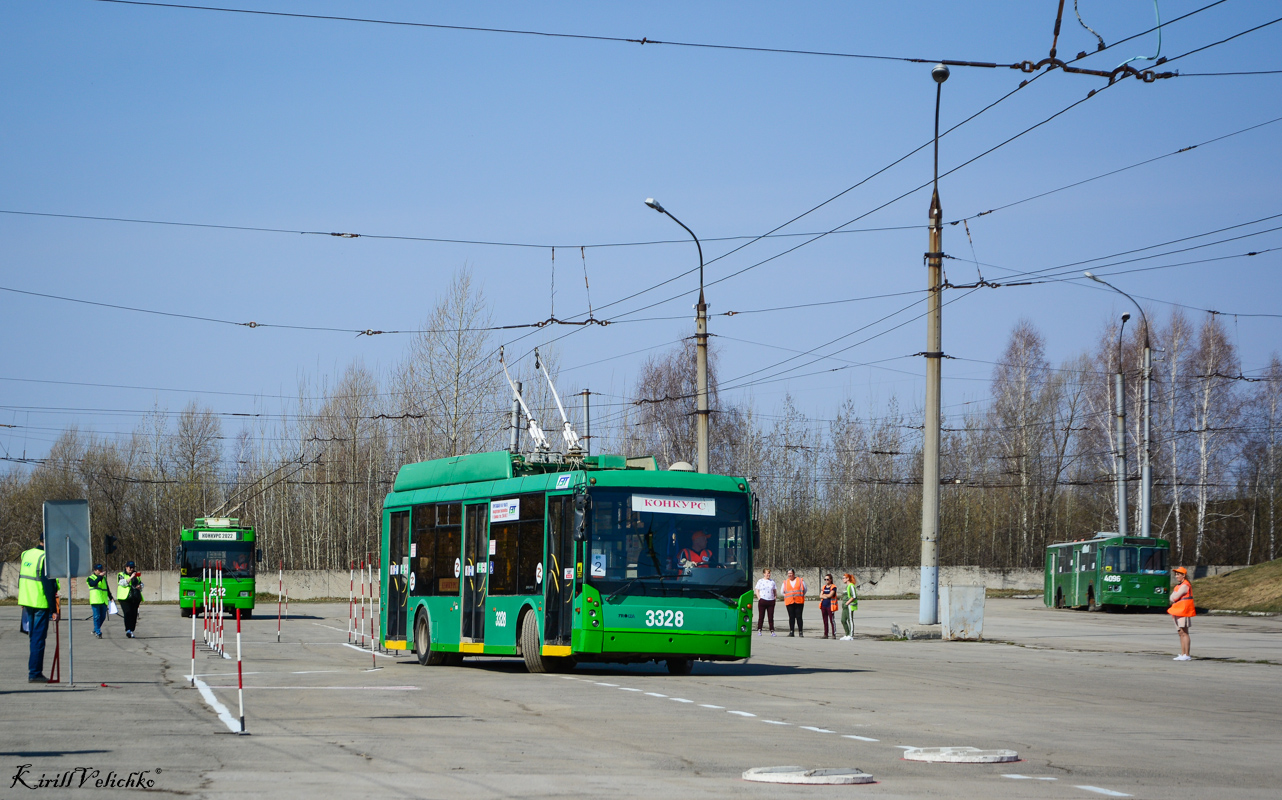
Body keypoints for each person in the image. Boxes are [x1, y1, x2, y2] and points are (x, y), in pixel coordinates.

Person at [19, 537, 60, 683]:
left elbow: (22, 577)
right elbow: (48, 585)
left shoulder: (27, 554)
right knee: (38, 639)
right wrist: (53, 608)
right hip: (39, 602)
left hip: (27, 600)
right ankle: (35, 673)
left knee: (33, 638)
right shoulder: (45, 558)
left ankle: (34, 670)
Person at [1167, 566, 1196, 661]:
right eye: (1176, 574)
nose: (1176, 576)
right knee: (1180, 632)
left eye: (1178, 574)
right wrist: (1173, 597)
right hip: (1177, 611)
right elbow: (1171, 597)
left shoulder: (1185, 585)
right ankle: (1183, 653)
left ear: (1183, 575)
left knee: (1184, 632)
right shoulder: (1178, 586)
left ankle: (1187, 654)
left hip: (1184, 611)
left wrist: (1174, 597)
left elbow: (1174, 597)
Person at [117, 562, 144, 639]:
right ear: (126, 567)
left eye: (133, 568)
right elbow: (123, 583)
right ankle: (128, 629)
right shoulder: (121, 574)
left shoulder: (137, 576)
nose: (132, 569)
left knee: (134, 614)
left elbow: (141, 584)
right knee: (127, 612)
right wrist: (131, 577)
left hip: (135, 597)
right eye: (130, 568)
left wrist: (140, 586)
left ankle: (131, 630)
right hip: (124, 598)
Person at [86, 564, 113, 638]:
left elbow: (107, 588)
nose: (100, 571)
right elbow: (93, 584)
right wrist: (99, 577)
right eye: (99, 570)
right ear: (95, 570)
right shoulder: (90, 578)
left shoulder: (103, 578)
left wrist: (110, 597)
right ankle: (98, 631)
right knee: (96, 616)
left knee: (103, 616)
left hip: (103, 600)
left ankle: (95, 629)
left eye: (101, 570)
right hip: (95, 600)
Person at [782, 569, 807, 637]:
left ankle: (800, 632)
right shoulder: (785, 582)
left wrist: (799, 595)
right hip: (789, 602)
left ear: (794, 574)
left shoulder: (800, 580)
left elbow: (805, 589)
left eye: (791, 573)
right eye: (788, 573)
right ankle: (791, 631)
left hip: (799, 601)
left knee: (799, 617)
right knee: (791, 617)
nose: (790, 575)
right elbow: (782, 592)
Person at [753, 568, 778, 636]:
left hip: (771, 601)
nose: (768, 574)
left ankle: (772, 630)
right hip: (763, 600)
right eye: (767, 573)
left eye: (769, 573)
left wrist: (775, 598)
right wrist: (759, 598)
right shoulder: (760, 581)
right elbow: (757, 590)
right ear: (764, 574)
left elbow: (775, 591)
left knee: (770, 616)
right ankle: (759, 629)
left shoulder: (772, 582)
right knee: (761, 616)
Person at [840, 573, 859, 641]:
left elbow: (854, 596)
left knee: (850, 619)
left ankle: (851, 635)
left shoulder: (851, 586)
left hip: (850, 606)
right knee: (843, 620)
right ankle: (847, 634)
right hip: (845, 606)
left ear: (847, 578)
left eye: (844, 578)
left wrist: (848, 603)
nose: (843, 579)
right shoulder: (847, 586)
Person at [819, 574, 838, 639]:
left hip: (830, 606)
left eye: (827, 579)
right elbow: (820, 596)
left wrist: (824, 595)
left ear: (831, 579)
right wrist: (825, 596)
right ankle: (825, 634)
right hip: (823, 605)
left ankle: (833, 634)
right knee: (825, 620)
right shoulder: (824, 587)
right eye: (825, 579)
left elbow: (830, 595)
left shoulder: (833, 587)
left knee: (832, 620)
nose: (826, 580)